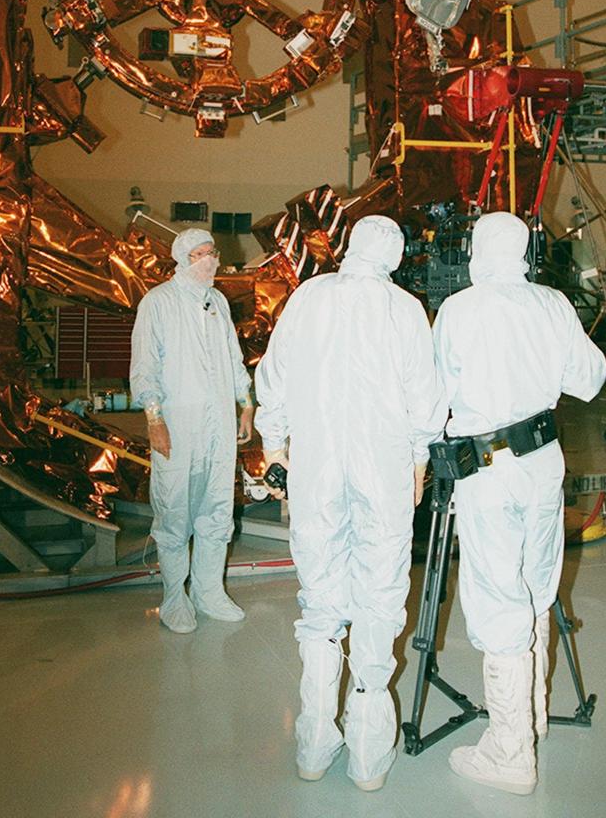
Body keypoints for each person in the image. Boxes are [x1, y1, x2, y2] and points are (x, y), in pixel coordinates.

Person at [255, 215, 446, 792]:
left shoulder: (309, 298)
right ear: (395, 255)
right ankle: (367, 755)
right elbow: (424, 396)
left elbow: (274, 374)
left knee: (319, 601)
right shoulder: (405, 310)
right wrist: (419, 459)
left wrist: (274, 447)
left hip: (315, 472)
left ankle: (314, 746)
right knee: (379, 597)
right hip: (383, 474)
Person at [433, 211, 606, 795]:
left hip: (489, 471)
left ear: (478, 250)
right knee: (536, 586)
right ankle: (531, 717)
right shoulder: (552, 303)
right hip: (542, 463)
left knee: (496, 597)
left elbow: (434, 397)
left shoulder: (460, 309)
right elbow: (590, 378)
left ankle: (510, 753)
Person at [130, 228, 253, 633]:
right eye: (201, 254)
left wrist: (246, 404)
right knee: (174, 509)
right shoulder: (158, 302)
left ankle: (208, 591)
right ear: (183, 260)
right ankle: (174, 597)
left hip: (219, 423)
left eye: (213, 252)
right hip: (178, 424)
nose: (211, 260)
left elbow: (234, 358)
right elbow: (145, 365)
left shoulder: (217, 302)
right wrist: (154, 419)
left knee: (217, 508)